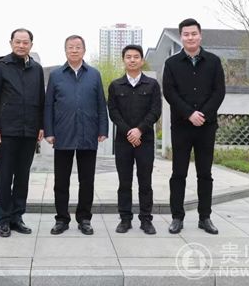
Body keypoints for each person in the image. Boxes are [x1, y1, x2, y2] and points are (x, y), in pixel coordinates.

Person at [162, 18, 226, 235]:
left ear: (200, 35)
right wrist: (189, 113)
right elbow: (169, 92)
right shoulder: (171, 64)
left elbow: (219, 92)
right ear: (181, 37)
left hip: (206, 127)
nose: (190, 37)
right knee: (178, 173)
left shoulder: (214, 61)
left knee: (205, 173)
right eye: (186, 34)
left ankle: (204, 217)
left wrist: (203, 115)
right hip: (181, 126)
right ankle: (177, 217)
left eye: (193, 33)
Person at [44, 35, 108, 235]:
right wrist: (49, 131)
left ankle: (84, 219)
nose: (74, 50)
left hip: (88, 133)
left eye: (78, 47)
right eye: (70, 47)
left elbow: (101, 103)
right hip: (63, 134)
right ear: (65, 50)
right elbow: (48, 105)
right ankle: (62, 219)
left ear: (84, 50)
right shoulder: (56, 75)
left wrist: (103, 129)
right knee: (61, 181)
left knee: (87, 181)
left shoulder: (94, 74)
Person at [0, 28, 45, 237]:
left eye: (25, 42)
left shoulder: (37, 69)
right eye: (17, 42)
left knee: (22, 177)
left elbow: (41, 99)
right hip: (6, 132)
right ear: (11, 43)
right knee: (5, 176)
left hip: (29, 131)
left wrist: (41, 126)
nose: (21, 45)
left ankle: (17, 217)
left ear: (31, 44)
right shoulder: (1, 67)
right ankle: (3, 220)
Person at [108, 44, 161, 235]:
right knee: (124, 182)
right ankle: (125, 219)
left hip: (145, 141)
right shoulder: (115, 85)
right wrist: (129, 132)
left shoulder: (152, 85)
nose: (132, 60)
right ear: (123, 60)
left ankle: (146, 220)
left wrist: (139, 130)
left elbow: (155, 111)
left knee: (145, 182)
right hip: (123, 142)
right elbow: (113, 112)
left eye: (136, 57)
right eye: (128, 57)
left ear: (142, 60)